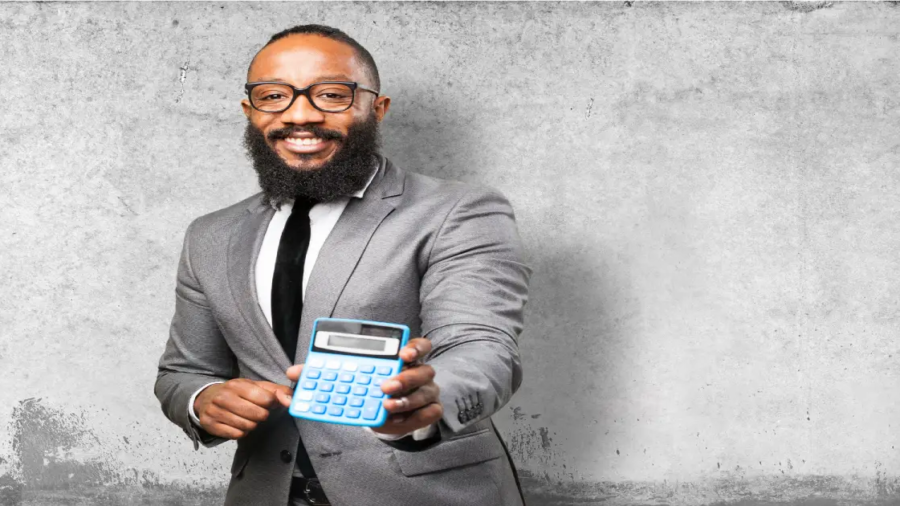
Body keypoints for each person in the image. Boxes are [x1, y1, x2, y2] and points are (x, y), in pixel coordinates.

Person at [155, 24, 530, 506]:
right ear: (251, 112)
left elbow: (482, 346)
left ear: (377, 108)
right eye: (274, 96)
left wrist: (430, 399)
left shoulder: (458, 211)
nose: (301, 115)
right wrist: (201, 400)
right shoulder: (210, 234)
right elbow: (183, 371)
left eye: (332, 94)